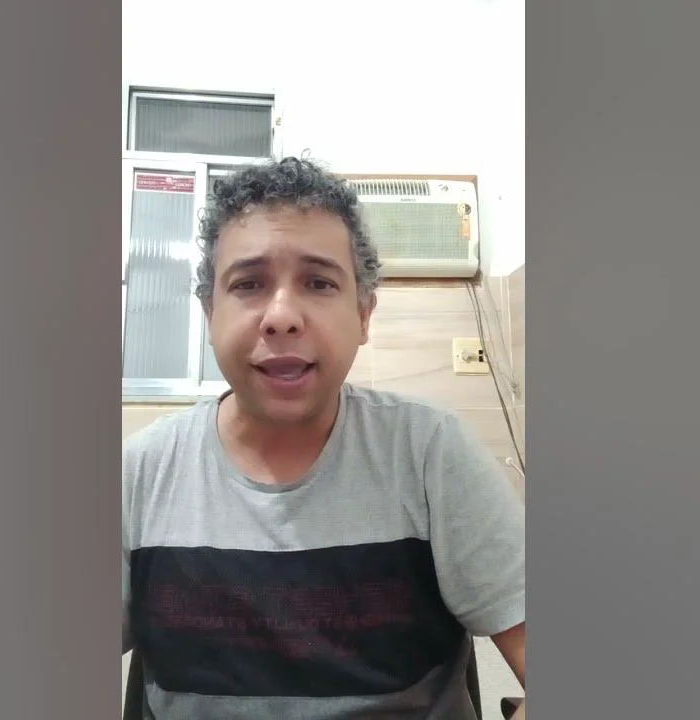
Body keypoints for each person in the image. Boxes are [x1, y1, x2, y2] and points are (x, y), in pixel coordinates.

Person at [122, 157, 526, 719]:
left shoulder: (429, 453)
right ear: (210, 313)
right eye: (249, 284)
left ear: (364, 314)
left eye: (318, 282)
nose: (282, 316)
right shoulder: (141, 473)